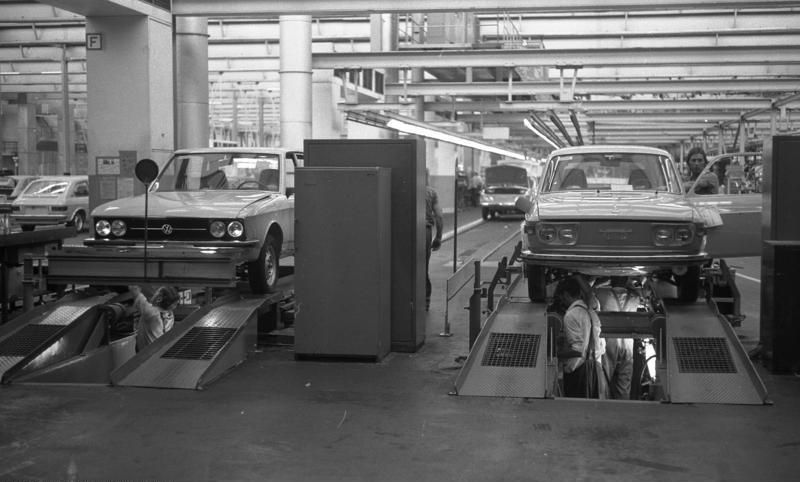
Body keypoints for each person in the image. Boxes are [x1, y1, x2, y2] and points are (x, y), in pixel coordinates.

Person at [557, 276, 605, 398]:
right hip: (595, 367)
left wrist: (556, 353)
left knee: (576, 409)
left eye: (562, 298)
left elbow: (578, 350)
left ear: (566, 294)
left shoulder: (571, 315)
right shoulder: (591, 312)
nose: (562, 301)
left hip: (579, 371)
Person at [593, 276, 638, 400]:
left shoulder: (603, 293)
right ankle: (623, 409)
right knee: (624, 384)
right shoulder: (635, 297)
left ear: (611, 280)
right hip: (628, 344)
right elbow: (641, 291)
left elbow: (589, 291)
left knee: (605, 380)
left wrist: (601, 281)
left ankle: (605, 409)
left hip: (610, 343)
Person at [130, 285, 180, 351]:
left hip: (147, 354)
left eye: (157, 292)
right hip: (160, 351)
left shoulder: (150, 312)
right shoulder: (170, 314)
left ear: (159, 298)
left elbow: (135, 291)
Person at [425, 179, 444, 312]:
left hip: (405, 229)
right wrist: (438, 237)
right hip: (424, 231)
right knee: (423, 267)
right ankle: (425, 302)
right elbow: (439, 216)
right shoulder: (431, 192)